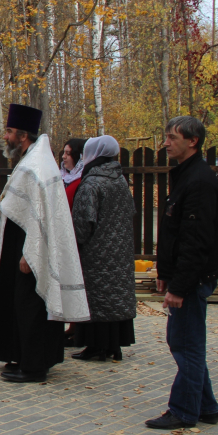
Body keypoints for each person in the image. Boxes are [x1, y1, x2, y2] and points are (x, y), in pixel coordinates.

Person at [0, 104, 90, 383]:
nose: (6, 137)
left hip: (29, 248)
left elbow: (40, 217)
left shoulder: (34, 165)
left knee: (30, 304)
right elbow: (26, 206)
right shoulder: (32, 160)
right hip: (22, 243)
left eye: (9, 132)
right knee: (21, 302)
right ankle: (24, 357)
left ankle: (34, 367)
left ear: (23, 135)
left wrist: (32, 255)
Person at [145, 116, 218, 430]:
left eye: (172, 137)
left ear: (192, 141)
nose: (166, 143)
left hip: (192, 280)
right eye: (166, 136)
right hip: (183, 277)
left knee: (185, 344)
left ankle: (184, 411)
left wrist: (179, 286)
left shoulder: (199, 181)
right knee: (186, 341)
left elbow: (196, 241)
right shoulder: (186, 177)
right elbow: (175, 232)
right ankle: (206, 407)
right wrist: (165, 272)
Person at [69, 135, 136, 361]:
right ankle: (113, 345)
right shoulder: (119, 180)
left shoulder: (91, 183)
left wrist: (74, 244)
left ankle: (95, 346)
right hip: (119, 253)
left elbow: (82, 222)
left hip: (96, 254)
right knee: (114, 298)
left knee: (96, 299)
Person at [61, 138, 87, 210]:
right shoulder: (61, 177)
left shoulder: (82, 180)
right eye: (64, 152)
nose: (63, 156)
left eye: (68, 153)